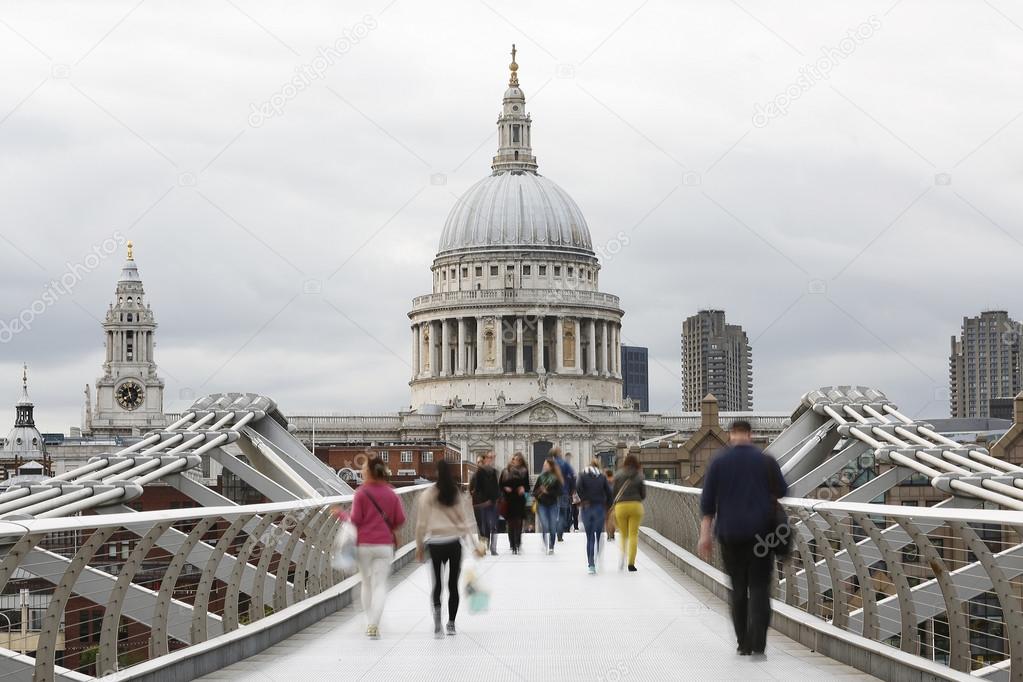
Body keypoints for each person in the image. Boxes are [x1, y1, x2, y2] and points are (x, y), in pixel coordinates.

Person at [699, 419, 788, 658]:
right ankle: (758, 642)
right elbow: (782, 490)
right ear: (750, 435)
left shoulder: (718, 461)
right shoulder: (766, 461)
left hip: (730, 535)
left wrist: (704, 535)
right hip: (762, 536)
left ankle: (742, 643)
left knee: (738, 588)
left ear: (730, 435)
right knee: (759, 587)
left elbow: (707, 504)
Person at [416, 459, 478, 638]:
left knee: (437, 586)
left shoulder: (427, 494)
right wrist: (473, 544)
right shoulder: (455, 493)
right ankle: (451, 623)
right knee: (453, 585)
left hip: (434, 544)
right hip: (453, 543)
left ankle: (437, 624)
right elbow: (463, 521)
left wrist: (420, 546)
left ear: (436, 473)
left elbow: (421, 524)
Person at [350, 455, 406, 639]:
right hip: (384, 544)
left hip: (364, 545)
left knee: (366, 584)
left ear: (368, 471)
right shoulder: (391, 493)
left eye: (364, 468)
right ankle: (374, 624)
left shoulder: (361, 492)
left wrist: (340, 515)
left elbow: (355, 520)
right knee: (380, 585)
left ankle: (369, 622)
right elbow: (399, 520)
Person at [577, 457, 613, 574]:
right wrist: (607, 506)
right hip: (599, 508)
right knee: (598, 536)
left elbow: (578, 487)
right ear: (598, 467)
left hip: (587, 508)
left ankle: (591, 564)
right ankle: (597, 558)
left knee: (589, 537)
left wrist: (584, 499)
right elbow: (609, 493)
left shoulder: (582, 475)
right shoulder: (602, 477)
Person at [612, 454, 646, 572]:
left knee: (624, 534)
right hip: (635, 506)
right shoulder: (640, 476)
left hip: (621, 507)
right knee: (633, 535)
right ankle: (631, 563)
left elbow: (614, 492)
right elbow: (643, 495)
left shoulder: (618, 474)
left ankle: (622, 556)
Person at [469, 452, 500, 555]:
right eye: (478, 462)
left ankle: (489, 548)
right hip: (478, 504)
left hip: (488, 503)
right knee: (481, 525)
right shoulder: (475, 475)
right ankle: (484, 547)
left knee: (488, 526)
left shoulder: (491, 473)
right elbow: (472, 489)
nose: (479, 464)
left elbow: (495, 488)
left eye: (481, 462)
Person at [499, 453, 530, 554]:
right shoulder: (505, 471)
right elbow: (500, 486)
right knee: (510, 523)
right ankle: (512, 544)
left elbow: (527, 486)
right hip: (508, 500)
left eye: (517, 460)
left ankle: (518, 543)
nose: (515, 461)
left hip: (519, 499)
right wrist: (505, 488)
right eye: (514, 459)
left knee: (519, 522)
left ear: (520, 461)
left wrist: (523, 488)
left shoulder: (524, 471)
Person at [532, 457, 563, 554]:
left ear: (550, 466)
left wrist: (547, 492)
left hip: (553, 504)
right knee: (544, 525)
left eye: (546, 465)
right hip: (542, 504)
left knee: (553, 527)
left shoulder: (556, 478)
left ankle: (551, 546)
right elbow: (534, 492)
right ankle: (545, 544)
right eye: (544, 465)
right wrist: (538, 493)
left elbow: (559, 492)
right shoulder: (540, 478)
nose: (544, 466)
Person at [551, 448, 576, 541]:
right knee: (562, 514)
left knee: (553, 512)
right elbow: (572, 475)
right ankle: (560, 534)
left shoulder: (550, 464)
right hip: (564, 492)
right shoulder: (564, 463)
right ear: (559, 454)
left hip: (552, 493)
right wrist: (572, 489)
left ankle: (553, 530)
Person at [603, 468, 616, 540]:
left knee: (607, 519)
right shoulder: (615, 481)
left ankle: (608, 534)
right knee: (612, 518)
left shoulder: (604, 482)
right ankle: (612, 533)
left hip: (605, 502)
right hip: (614, 502)